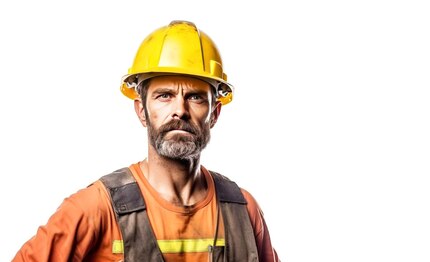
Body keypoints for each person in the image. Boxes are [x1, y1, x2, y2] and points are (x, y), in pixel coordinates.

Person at [13, 20, 279, 262]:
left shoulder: (243, 212)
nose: (180, 110)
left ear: (215, 113)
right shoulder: (95, 209)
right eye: (164, 95)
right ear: (141, 110)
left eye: (196, 97)